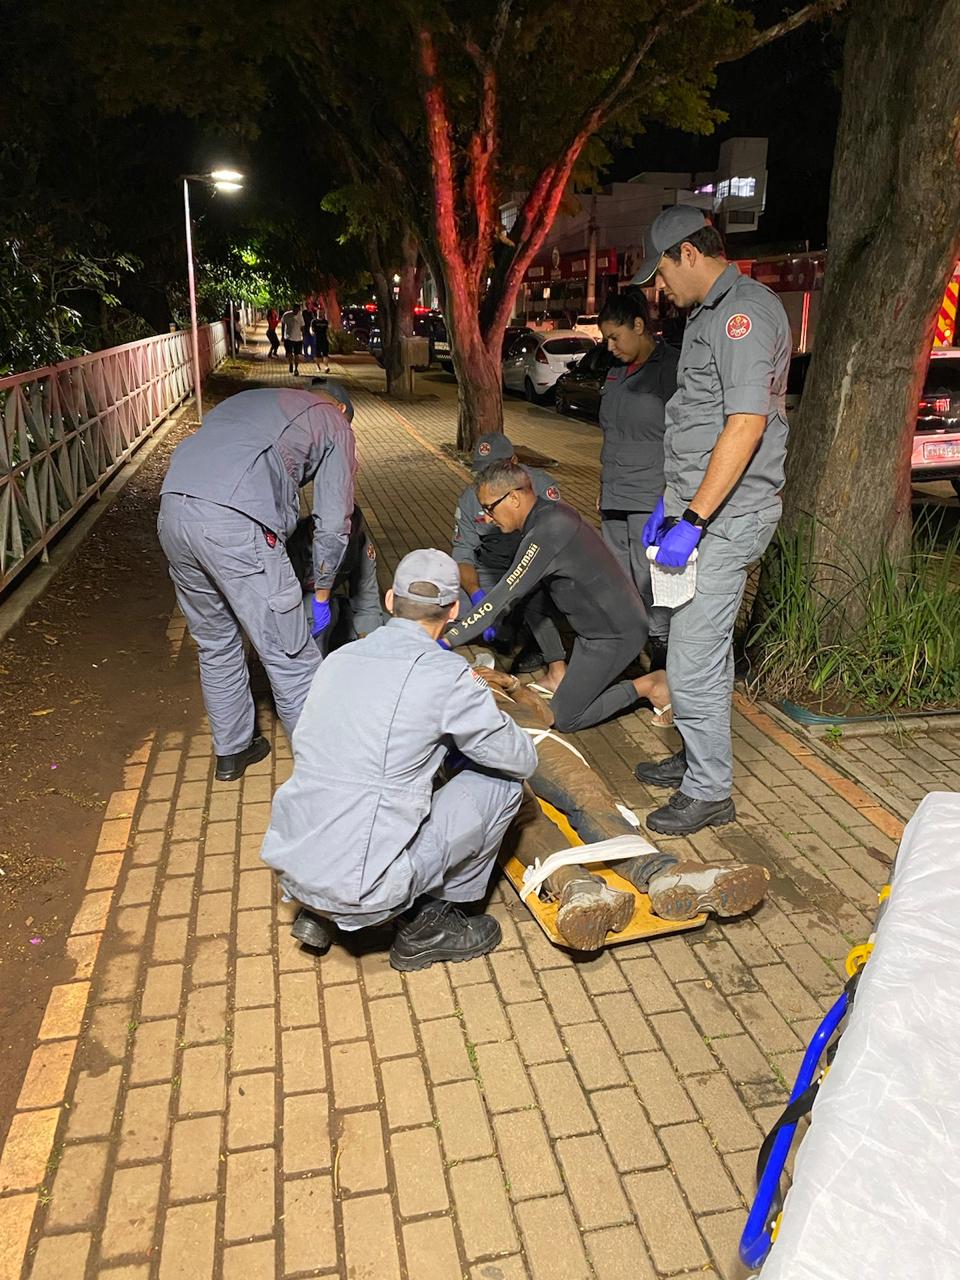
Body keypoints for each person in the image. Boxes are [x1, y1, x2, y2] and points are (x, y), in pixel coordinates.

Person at [261, 549, 538, 971]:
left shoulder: (339, 659)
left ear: (390, 600)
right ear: (454, 610)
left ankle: (319, 914)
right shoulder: (447, 675)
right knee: (502, 784)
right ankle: (435, 925)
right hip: (362, 892)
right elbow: (520, 759)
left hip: (297, 865)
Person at [630, 206, 790, 836]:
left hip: (727, 517)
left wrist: (693, 519)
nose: (659, 287)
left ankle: (709, 791)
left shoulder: (743, 315)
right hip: (700, 509)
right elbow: (697, 422)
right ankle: (700, 756)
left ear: (689, 254)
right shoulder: (706, 313)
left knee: (693, 658)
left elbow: (744, 425)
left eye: (662, 272)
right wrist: (668, 505)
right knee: (699, 648)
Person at [475, 667, 769, 949]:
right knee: (516, 808)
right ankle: (576, 886)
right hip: (474, 746)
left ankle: (663, 873)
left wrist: (511, 684)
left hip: (529, 734)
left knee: (586, 791)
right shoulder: (446, 680)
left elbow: (547, 716)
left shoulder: (488, 680)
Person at [157, 384, 357, 781]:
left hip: (172, 512)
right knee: (291, 654)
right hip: (236, 523)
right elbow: (334, 522)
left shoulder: (251, 400)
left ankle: (232, 751)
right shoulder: (334, 421)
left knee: (216, 642)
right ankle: (326, 777)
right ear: (340, 408)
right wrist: (321, 592)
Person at [443, 461, 652, 734]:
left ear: (514, 498)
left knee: (563, 719)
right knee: (530, 597)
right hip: (591, 631)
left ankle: (649, 685)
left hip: (615, 635)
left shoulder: (548, 531)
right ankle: (557, 673)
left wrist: (447, 640)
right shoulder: (548, 514)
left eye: (489, 508)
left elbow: (501, 597)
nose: (488, 518)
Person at [597, 287, 678, 670]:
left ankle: (662, 650)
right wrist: (603, 486)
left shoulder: (671, 369)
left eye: (615, 337)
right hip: (614, 496)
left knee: (649, 580)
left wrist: (672, 495)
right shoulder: (615, 372)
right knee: (619, 578)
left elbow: (684, 437)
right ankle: (630, 646)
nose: (610, 346)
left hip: (649, 498)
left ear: (640, 326)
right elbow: (611, 434)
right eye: (606, 339)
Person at [452, 432, 563, 673]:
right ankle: (506, 621)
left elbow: (559, 542)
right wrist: (477, 596)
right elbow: (463, 553)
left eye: (495, 469)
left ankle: (537, 645)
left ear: (513, 462)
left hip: (538, 571)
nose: (488, 478)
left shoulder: (540, 487)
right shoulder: (470, 498)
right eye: (482, 471)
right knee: (448, 608)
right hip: (494, 572)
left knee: (549, 602)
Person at [286, 504, 385, 655]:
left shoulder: (359, 544)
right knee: (313, 612)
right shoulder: (291, 542)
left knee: (384, 626)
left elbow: (367, 603)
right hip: (294, 610)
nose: (340, 545)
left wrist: (367, 644)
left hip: (328, 604)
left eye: (345, 538)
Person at [281, 304, 304, 375]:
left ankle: (296, 369)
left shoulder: (300, 316)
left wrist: (303, 336)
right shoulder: (286, 315)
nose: (296, 311)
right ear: (292, 309)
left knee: (297, 354)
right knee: (289, 353)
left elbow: (302, 326)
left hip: (298, 338)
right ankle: (291, 363)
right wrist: (282, 336)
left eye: (297, 310)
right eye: (294, 310)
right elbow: (283, 324)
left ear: (299, 310)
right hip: (288, 337)